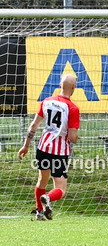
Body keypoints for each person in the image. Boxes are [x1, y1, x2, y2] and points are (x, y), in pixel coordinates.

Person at [17, 74, 80, 221]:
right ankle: (48, 198)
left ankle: (39, 212)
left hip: (43, 147)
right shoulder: (72, 108)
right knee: (61, 188)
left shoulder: (46, 101)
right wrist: (76, 136)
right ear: (73, 88)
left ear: (60, 85)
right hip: (59, 151)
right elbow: (72, 137)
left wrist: (25, 146)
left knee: (42, 180)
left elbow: (34, 125)